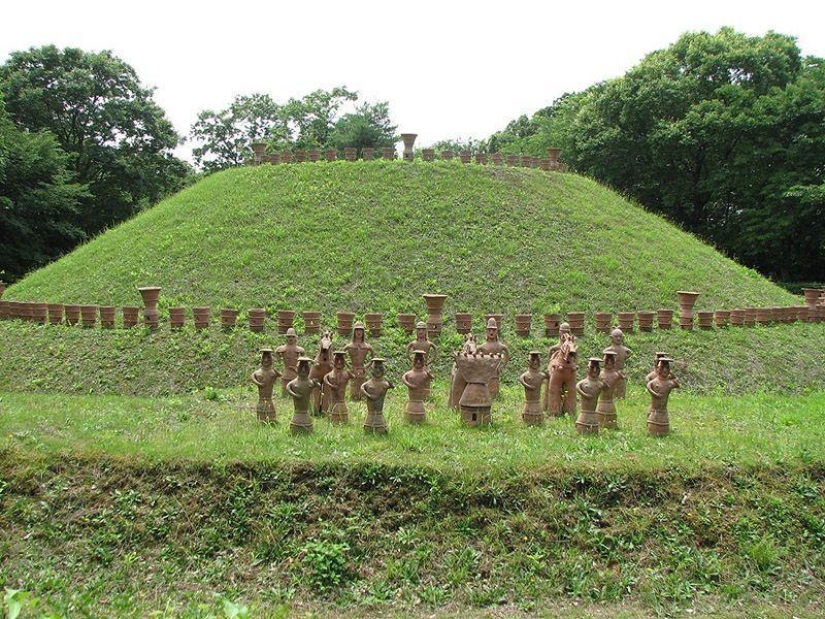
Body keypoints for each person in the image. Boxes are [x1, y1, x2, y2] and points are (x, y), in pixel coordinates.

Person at [646, 357, 680, 436]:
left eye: (667, 368)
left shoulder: (669, 383)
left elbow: (677, 384)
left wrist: (671, 373)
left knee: (662, 416)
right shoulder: (654, 382)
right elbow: (648, 385)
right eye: (662, 368)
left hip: (663, 411)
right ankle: (652, 430)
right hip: (655, 411)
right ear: (658, 369)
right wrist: (655, 394)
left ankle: (662, 432)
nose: (664, 370)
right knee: (654, 413)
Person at [477, 318, 509, 397]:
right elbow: (475, 357)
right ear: (486, 331)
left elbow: (507, 354)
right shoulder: (482, 347)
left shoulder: (500, 346)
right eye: (489, 330)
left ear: (497, 331)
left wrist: (502, 366)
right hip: (485, 373)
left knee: (494, 388)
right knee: (486, 389)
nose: (491, 332)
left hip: (495, 373)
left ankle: (495, 397)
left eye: (493, 330)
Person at [361, 358, 394, 434]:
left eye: (380, 368)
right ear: (372, 369)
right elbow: (362, 387)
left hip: (379, 413)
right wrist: (369, 395)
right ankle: (370, 427)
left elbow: (391, 385)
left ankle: (379, 428)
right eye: (375, 368)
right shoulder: (368, 384)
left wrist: (390, 385)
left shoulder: (385, 384)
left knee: (379, 417)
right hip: (370, 413)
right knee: (371, 415)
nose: (378, 370)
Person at [286, 356, 318, 434]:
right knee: (298, 412)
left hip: (305, 412)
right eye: (301, 367)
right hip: (297, 411)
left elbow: (318, 385)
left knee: (305, 412)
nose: (303, 370)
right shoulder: (294, 382)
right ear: (297, 369)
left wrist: (315, 383)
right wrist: (294, 395)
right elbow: (288, 387)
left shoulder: (309, 382)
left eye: (306, 368)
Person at [344, 321, 374, 401]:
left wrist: (366, 367)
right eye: (357, 330)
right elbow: (340, 355)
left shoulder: (367, 346)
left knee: (361, 384)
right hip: (353, 368)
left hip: (361, 368)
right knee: (353, 385)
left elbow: (373, 358)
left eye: (360, 330)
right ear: (354, 332)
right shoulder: (349, 346)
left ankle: (361, 396)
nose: (359, 332)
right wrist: (349, 366)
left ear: (363, 332)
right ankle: (354, 397)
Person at [250, 348, 281, 424]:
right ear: (261, 359)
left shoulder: (273, 372)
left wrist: (277, 373)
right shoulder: (258, 372)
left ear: (271, 360)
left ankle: (272, 420)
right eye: (264, 358)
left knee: (269, 406)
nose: (266, 360)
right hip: (261, 400)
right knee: (262, 405)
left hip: (269, 400)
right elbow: (252, 377)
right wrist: (258, 383)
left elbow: (282, 376)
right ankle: (261, 420)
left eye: (268, 358)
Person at [519, 351, 549, 425]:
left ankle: (537, 420)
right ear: (529, 362)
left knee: (536, 406)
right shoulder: (526, 375)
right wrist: (528, 386)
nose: (535, 362)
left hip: (537, 402)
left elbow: (549, 377)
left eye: (537, 360)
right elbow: (521, 379)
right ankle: (528, 419)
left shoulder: (541, 375)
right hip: (529, 402)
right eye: (533, 360)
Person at [275, 327, 305, 397]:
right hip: (286, 371)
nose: (290, 339)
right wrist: (279, 359)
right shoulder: (283, 348)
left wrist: (299, 364)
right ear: (286, 338)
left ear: (295, 338)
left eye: (292, 337)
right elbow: (277, 351)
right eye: (289, 337)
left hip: (295, 372)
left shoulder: (299, 349)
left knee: (296, 386)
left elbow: (303, 353)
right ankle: (285, 395)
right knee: (285, 388)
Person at [604, 328, 632, 398]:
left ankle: (621, 398)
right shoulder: (609, 350)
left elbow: (629, 353)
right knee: (611, 387)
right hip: (611, 372)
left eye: (620, 337)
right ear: (611, 337)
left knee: (621, 387)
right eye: (616, 336)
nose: (618, 338)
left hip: (621, 371)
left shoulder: (624, 350)